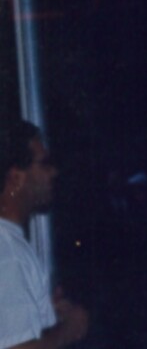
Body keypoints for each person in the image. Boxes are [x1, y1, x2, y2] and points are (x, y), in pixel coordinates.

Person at [0, 120, 89, 349]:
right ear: (15, 179)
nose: (54, 172)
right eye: (44, 164)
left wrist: (44, 314)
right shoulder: (8, 252)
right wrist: (68, 330)